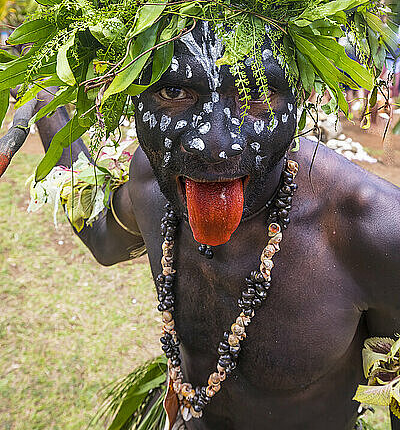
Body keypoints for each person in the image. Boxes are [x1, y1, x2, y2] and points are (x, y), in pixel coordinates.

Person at [25, 21, 400, 430]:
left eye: (256, 94)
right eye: (173, 92)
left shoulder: (372, 229)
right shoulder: (151, 181)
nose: (215, 144)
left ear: (303, 97)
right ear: (131, 94)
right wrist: (47, 104)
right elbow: (102, 239)